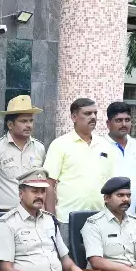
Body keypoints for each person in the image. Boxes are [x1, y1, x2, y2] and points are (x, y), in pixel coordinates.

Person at [0, 169, 92, 271]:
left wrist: (76, 269)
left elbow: (64, 258)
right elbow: (5, 268)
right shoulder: (7, 223)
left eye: (43, 191)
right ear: (21, 193)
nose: (40, 196)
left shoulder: (50, 220)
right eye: (34, 191)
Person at [43, 97, 115, 242]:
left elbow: (111, 184)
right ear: (74, 117)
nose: (93, 117)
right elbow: (49, 184)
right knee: (67, 255)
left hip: (99, 218)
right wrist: (51, 218)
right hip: (66, 218)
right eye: (87, 113)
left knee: (96, 257)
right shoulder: (60, 144)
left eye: (95, 113)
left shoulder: (105, 145)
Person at [0, 95, 46, 214]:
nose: (29, 125)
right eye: (23, 121)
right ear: (10, 125)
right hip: (4, 213)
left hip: (33, 213)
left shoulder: (39, 148)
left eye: (31, 120)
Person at [101, 102, 136, 219]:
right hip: (104, 216)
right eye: (118, 120)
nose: (124, 124)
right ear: (108, 123)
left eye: (127, 120)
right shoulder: (99, 146)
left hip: (130, 216)